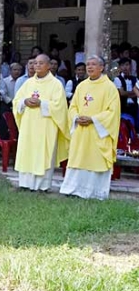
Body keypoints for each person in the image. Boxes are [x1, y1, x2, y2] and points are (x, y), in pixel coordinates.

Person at [60, 56, 120, 199]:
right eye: (88, 64)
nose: (90, 67)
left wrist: (93, 119)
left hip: (97, 132)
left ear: (102, 67)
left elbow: (113, 112)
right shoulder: (81, 86)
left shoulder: (109, 87)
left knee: (96, 160)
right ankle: (74, 190)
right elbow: (73, 106)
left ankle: (95, 193)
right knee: (79, 158)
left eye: (94, 64)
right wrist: (76, 117)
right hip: (81, 131)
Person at [12, 54, 69, 191]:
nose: (36, 65)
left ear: (49, 66)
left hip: (46, 126)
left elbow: (60, 107)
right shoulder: (28, 83)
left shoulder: (56, 84)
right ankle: (25, 184)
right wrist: (25, 102)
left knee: (43, 153)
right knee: (27, 152)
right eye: (35, 63)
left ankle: (42, 186)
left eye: (40, 63)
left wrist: (41, 103)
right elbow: (16, 101)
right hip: (29, 126)